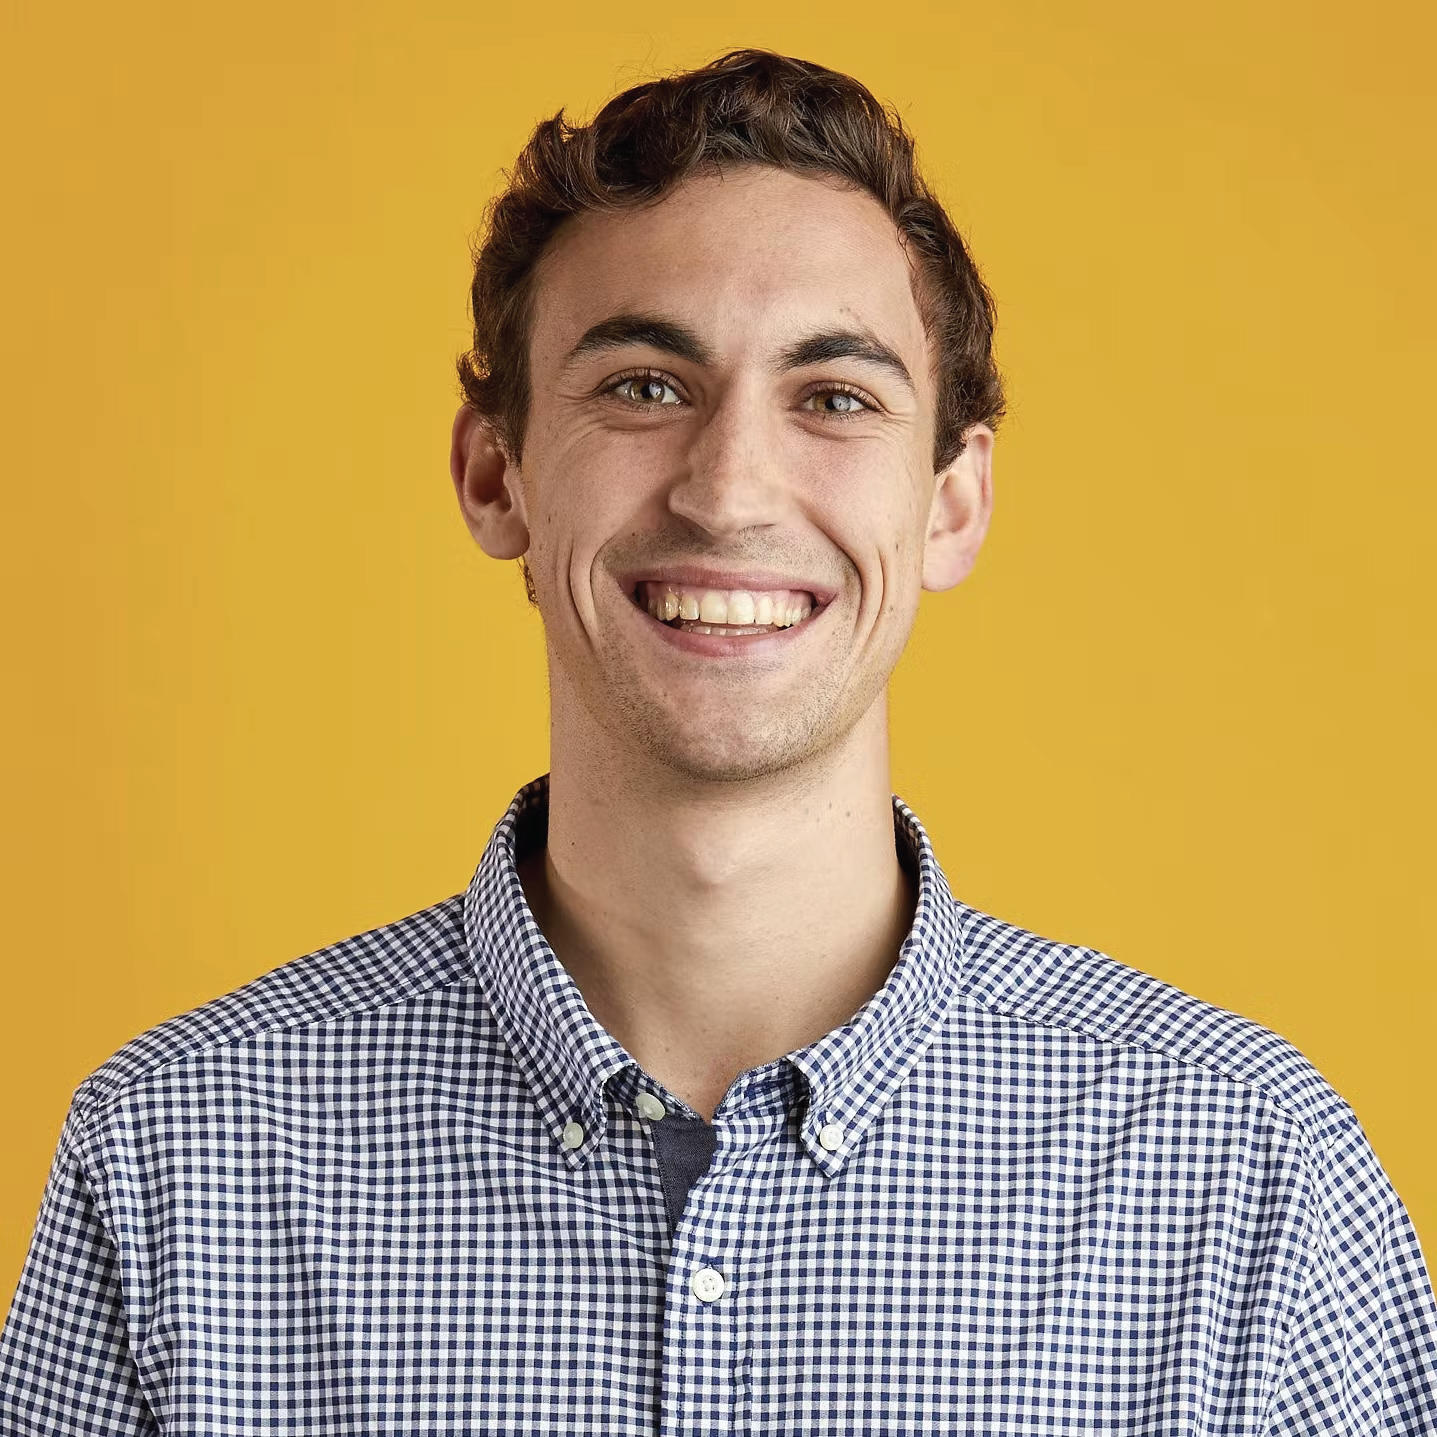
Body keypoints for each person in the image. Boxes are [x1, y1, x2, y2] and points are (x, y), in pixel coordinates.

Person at [2, 48, 1434, 1436]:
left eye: (834, 397)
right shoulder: (179, 1166)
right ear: (494, 473)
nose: (730, 485)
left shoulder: (1248, 1185)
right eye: (643, 385)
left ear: (949, 504)